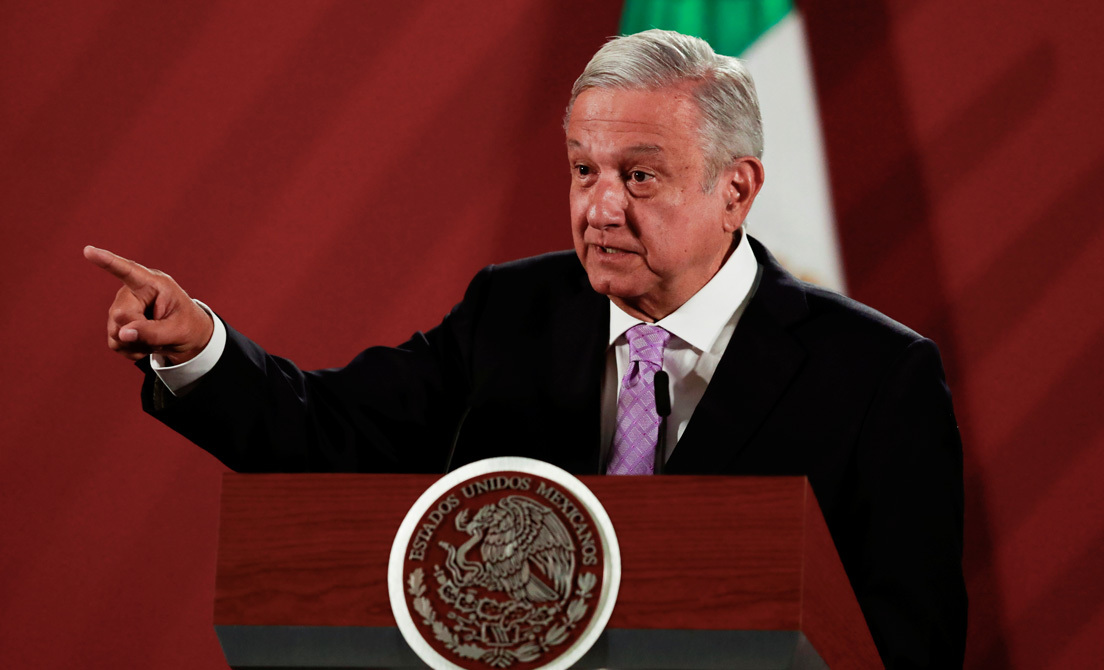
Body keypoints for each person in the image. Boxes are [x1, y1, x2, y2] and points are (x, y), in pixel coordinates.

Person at [87, 30, 966, 668]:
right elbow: (331, 434)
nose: (599, 208)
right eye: (584, 170)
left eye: (639, 175)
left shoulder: (876, 377)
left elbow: (909, 645)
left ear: (735, 189)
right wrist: (197, 347)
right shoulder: (512, 313)